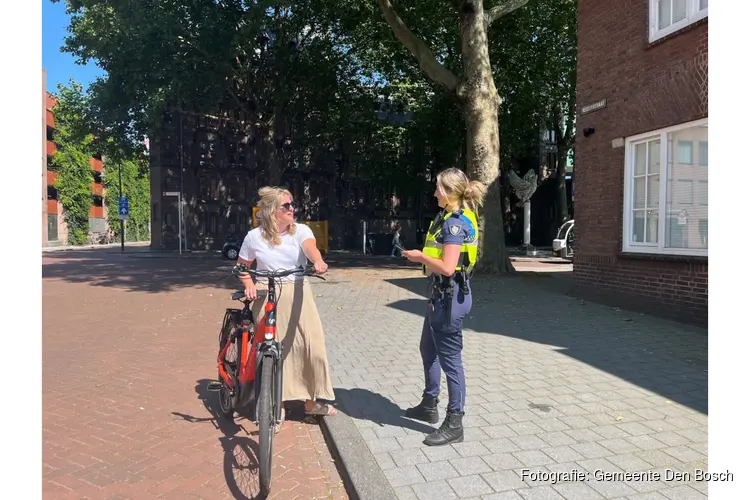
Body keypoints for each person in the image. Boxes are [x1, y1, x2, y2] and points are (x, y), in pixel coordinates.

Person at [235, 186, 337, 432]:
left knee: (313, 348)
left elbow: (311, 248)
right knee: (274, 351)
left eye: (292, 204)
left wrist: (318, 261)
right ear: (271, 211)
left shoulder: (300, 230)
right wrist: (249, 284)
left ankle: (312, 401)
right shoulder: (253, 237)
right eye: (287, 206)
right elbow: (242, 267)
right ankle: (276, 405)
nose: (293, 209)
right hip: (267, 293)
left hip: (299, 293)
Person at [401, 168, 486, 446]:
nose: (434, 192)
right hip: (442, 296)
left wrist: (419, 257)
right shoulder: (449, 216)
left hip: (450, 299)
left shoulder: (454, 224)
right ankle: (429, 403)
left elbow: (449, 267)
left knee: (451, 362)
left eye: (438, 188)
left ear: (449, 192)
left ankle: (454, 422)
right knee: (428, 349)